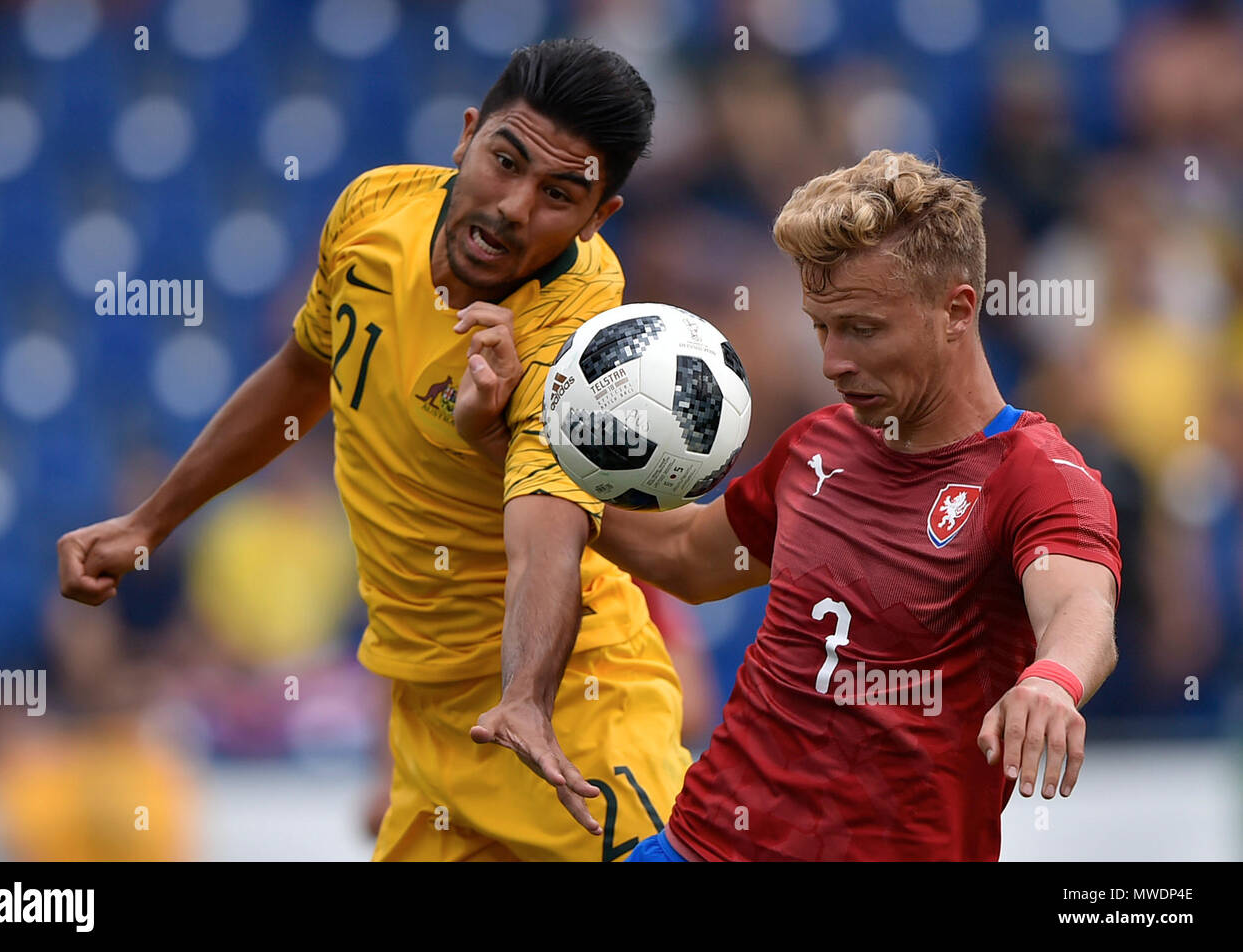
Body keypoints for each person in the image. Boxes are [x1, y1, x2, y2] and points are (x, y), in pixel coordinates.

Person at [57, 38, 692, 862]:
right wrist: (151, 522)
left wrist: (527, 695)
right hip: (430, 724)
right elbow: (300, 372)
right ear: (467, 135)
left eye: (559, 194)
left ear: (599, 216)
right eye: (505, 161)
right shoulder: (373, 212)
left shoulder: (575, 335)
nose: (513, 207)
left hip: (572, 721)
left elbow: (547, 525)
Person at [460, 150, 1122, 861]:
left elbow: (1080, 608)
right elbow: (687, 556)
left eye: (862, 329)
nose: (833, 360)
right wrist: (506, 442)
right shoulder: (817, 446)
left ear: (956, 311)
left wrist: (1053, 683)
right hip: (701, 845)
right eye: (820, 328)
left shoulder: (1035, 474)